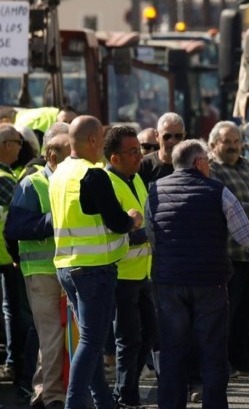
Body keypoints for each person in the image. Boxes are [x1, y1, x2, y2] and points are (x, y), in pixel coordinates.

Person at [145, 139, 249, 408]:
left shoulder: (154, 191)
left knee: (172, 352)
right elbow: (245, 233)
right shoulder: (218, 191)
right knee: (213, 352)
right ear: (200, 162)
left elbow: (152, 237)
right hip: (210, 283)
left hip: (169, 283)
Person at [49, 115, 143, 409]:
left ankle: (104, 402)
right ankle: (75, 403)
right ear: (92, 141)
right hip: (94, 270)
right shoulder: (93, 174)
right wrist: (132, 219)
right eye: (102, 139)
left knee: (89, 342)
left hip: (67, 266)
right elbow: (116, 222)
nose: (103, 145)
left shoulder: (59, 173)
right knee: (92, 343)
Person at [4, 123, 70, 409]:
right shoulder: (33, 183)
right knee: (53, 335)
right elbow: (14, 228)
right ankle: (54, 396)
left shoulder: (73, 180)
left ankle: (44, 392)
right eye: (71, 152)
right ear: (52, 156)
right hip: (42, 272)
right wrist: (54, 222)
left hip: (71, 269)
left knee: (57, 336)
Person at [207, 121, 249, 377]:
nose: (234, 146)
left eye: (236, 141)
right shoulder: (212, 170)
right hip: (228, 253)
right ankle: (223, 363)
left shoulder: (246, 165)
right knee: (226, 313)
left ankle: (240, 360)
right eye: (227, 142)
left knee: (244, 313)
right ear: (214, 145)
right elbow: (217, 202)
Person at [102, 125, 156, 407]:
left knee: (147, 333)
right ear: (115, 158)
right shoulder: (109, 184)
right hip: (121, 275)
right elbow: (113, 232)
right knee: (128, 339)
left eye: (140, 150)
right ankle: (126, 395)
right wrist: (146, 234)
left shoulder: (134, 178)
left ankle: (126, 391)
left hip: (141, 274)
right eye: (133, 152)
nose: (140, 156)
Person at [0, 123, 39, 399]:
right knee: (18, 313)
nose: (20, 146)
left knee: (10, 311)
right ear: (4, 145)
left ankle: (15, 364)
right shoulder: (4, 177)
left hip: (7, 256)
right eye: (17, 141)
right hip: (7, 257)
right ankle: (19, 366)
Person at [139, 112, 185, 186]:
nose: (172, 141)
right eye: (167, 136)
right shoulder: (144, 165)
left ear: (184, 136)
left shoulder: (191, 164)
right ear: (157, 136)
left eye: (178, 136)